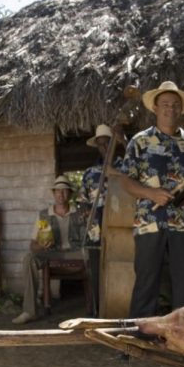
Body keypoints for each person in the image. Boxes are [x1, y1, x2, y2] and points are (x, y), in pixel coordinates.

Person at [117, 81, 184, 318]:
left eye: (175, 105)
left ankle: (182, 340)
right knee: (147, 281)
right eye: (165, 104)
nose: (170, 108)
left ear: (181, 110)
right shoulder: (139, 142)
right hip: (150, 221)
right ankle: (139, 337)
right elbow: (126, 181)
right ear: (155, 108)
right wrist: (151, 194)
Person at [12, 175, 85, 324]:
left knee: (95, 254)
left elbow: (89, 238)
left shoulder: (79, 213)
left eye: (64, 191)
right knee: (29, 258)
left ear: (69, 193)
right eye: (58, 191)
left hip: (74, 253)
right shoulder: (44, 215)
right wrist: (41, 246)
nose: (61, 194)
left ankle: (98, 308)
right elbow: (32, 245)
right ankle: (29, 311)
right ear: (53, 193)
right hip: (51, 253)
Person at [79, 124, 122, 315]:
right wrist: (84, 211)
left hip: (121, 230)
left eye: (108, 143)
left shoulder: (125, 166)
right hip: (96, 232)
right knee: (97, 274)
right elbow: (82, 202)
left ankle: (118, 309)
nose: (105, 148)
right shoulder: (90, 173)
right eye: (101, 144)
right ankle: (98, 314)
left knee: (120, 272)